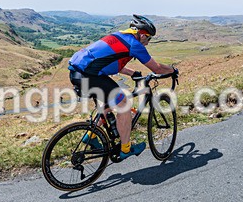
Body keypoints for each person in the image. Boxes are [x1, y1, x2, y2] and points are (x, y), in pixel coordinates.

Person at [68, 14, 178, 160]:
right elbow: (156, 68)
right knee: (124, 104)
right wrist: (173, 71)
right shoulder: (135, 45)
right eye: (148, 38)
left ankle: (91, 136)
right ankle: (126, 149)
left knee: (109, 103)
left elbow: (109, 60)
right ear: (142, 34)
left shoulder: (119, 36)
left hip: (78, 72)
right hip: (89, 76)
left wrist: (131, 72)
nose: (148, 42)